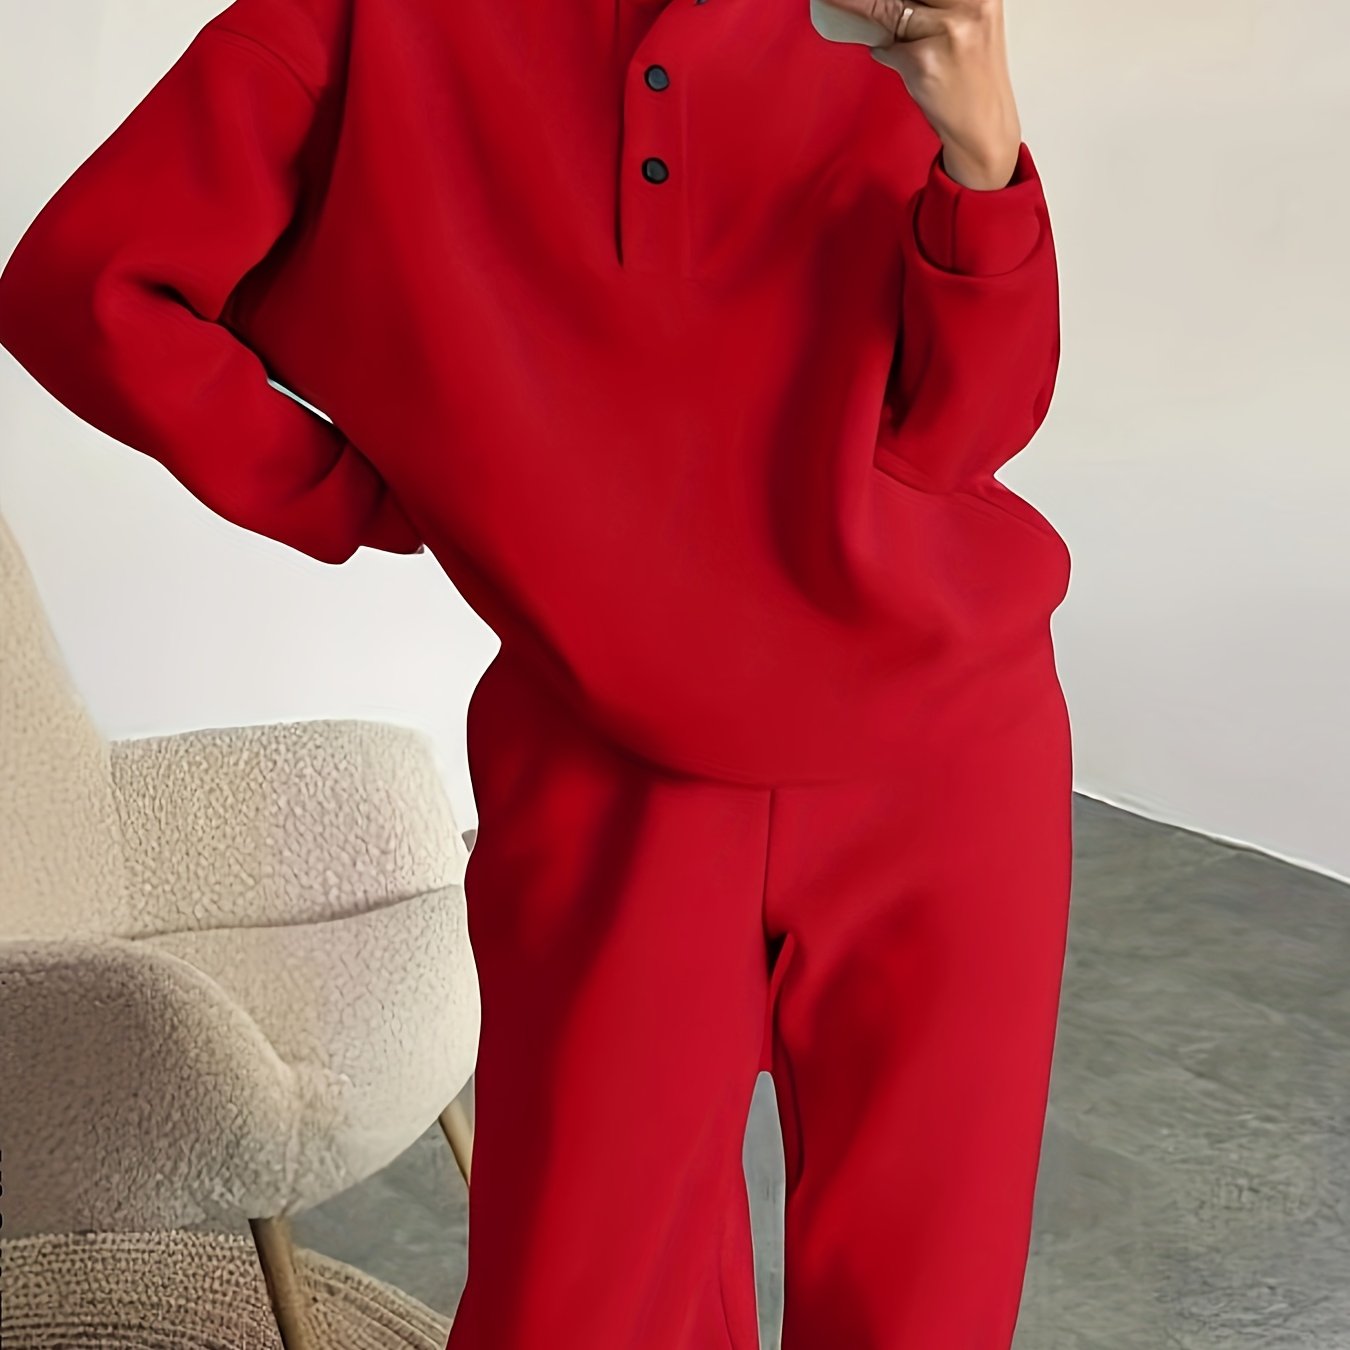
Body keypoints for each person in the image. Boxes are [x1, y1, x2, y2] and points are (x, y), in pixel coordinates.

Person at [0, 0, 1074, 1344]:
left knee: (926, 1310)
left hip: (950, 759)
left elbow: (967, 429)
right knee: (577, 1308)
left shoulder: (884, 23)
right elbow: (86, 289)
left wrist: (981, 151)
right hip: (605, 770)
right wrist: (357, 490)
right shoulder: (361, 22)